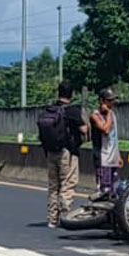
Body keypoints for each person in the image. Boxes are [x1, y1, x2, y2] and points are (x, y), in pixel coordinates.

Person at [42, 81, 87, 228]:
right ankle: (66, 215)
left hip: (50, 152)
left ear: (58, 92)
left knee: (53, 185)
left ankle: (52, 219)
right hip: (67, 152)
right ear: (71, 94)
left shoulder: (50, 110)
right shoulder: (72, 111)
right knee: (67, 184)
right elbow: (84, 130)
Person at [89, 88, 123, 196]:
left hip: (112, 157)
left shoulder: (112, 115)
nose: (111, 103)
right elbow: (106, 130)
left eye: (112, 100)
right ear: (102, 101)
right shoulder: (95, 116)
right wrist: (108, 113)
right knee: (104, 189)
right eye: (109, 101)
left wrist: (118, 155)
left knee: (115, 189)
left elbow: (114, 137)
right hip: (102, 158)